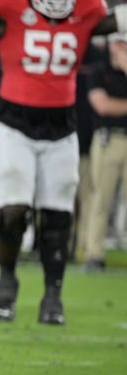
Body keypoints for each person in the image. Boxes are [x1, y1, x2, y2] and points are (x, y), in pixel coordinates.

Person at [0, 0, 127, 325]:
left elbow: (117, 21)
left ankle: (53, 295)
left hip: (62, 125)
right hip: (14, 122)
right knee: (13, 211)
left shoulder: (89, 9)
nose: (58, 1)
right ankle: (7, 280)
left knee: (58, 218)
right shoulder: (9, 5)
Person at [84, 33, 127, 272]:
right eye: (120, 43)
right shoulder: (99, 71)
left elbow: (112, 105)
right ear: (111, 44)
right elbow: (102, 105)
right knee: (100, 198)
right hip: (108, 141)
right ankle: (94, 253)